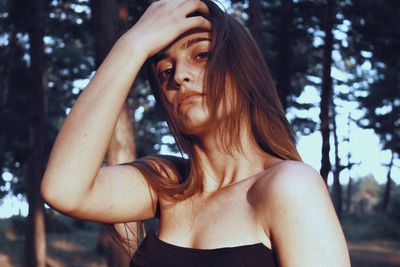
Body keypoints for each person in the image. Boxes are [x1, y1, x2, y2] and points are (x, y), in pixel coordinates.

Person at [41, 0, 351, 266]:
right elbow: (62, 190)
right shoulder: (166, 184)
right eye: (165, 71)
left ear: (243, 69)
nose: (179, 76)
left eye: (201, 55)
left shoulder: (290, 186)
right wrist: (132, 45)